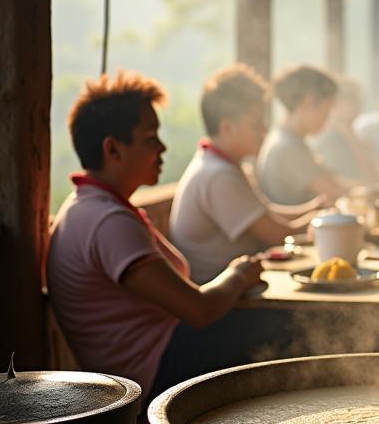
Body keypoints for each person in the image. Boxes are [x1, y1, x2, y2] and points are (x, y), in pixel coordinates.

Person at [47, 71, 270, 405]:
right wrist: (237, 276)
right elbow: (199, 309)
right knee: (288, 331)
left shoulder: (93, 207)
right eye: (150, 137)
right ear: (113, 149)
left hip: (159, 358)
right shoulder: (107, 221)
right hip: (150, 376)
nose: (162, 147)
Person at [169, 65, 322, 284]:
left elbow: (264, 213)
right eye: (256, 124)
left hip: (240, 287)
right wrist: (320, 222)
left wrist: (313, 209)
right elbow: (277, 234)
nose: (264, 130)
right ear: (228, 127)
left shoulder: (224, 165)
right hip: (226, 302)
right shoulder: (217, 176)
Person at [257, 65, 349, 204]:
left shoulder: (289, 138)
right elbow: (336, 192)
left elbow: (333, 181)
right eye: (326, 111)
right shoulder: (287, 147)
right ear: (308, 102)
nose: (327, 119)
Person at [312, 77, 378, 183]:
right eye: (354, 101)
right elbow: (338, 180)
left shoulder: (351, 133)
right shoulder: (330, 138)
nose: (360, 106)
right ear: (337, 104)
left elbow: (373, 170)